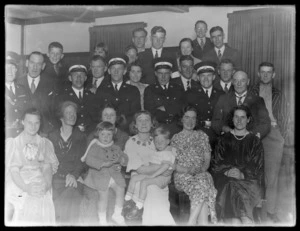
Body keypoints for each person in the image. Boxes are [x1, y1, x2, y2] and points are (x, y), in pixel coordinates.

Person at [249, 62, 292, 223]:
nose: (265, 75)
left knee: (271, 177)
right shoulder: (251, 91)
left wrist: (281, 135)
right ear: (258, 74)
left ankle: (270, 212)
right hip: (256, 134)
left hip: (274, 135)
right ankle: (254, 211)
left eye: (269, 72)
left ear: (273, 75)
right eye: (263, 72)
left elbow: (286, 118)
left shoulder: (279, 94)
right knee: (253, 174)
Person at [210, 105, 265, 225]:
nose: (239, 121)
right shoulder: (222, 140)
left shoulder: (255, 142)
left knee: (234, 185)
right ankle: (246, 220)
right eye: (236, 117)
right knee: (230, 184)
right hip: (225, 179)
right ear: (232, 119)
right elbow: (215, 164)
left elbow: (257, 167)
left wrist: (242, 174)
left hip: (249, 181)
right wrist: (227, 171)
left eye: (243, 117)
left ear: (248, 119)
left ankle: (238, 220)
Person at [5, 108, 59, 225]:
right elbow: (14, 172)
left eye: (36, 123)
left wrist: (46, 185)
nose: (33, 126)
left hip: (39, 180)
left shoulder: (44, 143)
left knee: (43, 197)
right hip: (18, 182)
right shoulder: (14, 143)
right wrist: (26, 187)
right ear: (23, 122)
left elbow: (47, 168)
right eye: (29, 122)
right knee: (28, 200)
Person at [124, 110, 175, 225]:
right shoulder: (130, 142)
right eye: (140, 120)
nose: (143, 123)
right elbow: (140, 169)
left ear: (152, 123)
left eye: (147, 119)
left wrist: (170, 168)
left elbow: (172, 156)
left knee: (159, 195)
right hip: (138, 179)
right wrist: (165, 167)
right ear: (135, 125)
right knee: (152, 191)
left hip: (160, 176)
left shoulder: (158, 139)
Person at [81, 103, 129, 225]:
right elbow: (89, 159)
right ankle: (102, 220)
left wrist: (123, 161)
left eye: (109, 134)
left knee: (120, 188)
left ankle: (117, 214)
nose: (106, 137)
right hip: (99, 175)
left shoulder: (116, 145)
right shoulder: (95, 144)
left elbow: (123, 156)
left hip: (113, 175)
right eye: (103, 134)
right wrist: (102, 163)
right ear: (98, 134)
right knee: (104, 196)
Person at [171, 106, 217, 225]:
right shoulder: (175, 138)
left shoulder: (202, 136)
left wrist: (201, 169)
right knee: (203, 184)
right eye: (187, 117)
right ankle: (195, 222)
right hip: (183, 175)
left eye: (193, 118)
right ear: (181, 119)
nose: (190, 121)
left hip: (200, 173)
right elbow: (173, 164)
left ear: (196, 120)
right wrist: (188, 170)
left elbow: (207, 159)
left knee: (203, 179)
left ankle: (194, 222)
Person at [48, 101, 87, 225]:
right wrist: (66, 175)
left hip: (75, 179)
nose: (72, 115)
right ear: (61, 117)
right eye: (68, 113)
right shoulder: (52, 136)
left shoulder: (81, 136)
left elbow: (81, 162)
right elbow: (50, 161)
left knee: (72, 193)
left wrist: (74, 176)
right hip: (56, 179)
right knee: (64, 196)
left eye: (74, 113)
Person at [212, 70, 271, 140]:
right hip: (228, 140)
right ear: (232, 82)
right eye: (236, 80)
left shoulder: (258, 100)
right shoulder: (223, 99)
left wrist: (251, 134)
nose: (239, 84)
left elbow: (265, 124)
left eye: (242, 80)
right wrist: (227, 130)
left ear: (248, 82)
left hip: (250, 141)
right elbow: (215, 121)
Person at [94, 56, 141, 132]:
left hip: (126, 131)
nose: (116, 72)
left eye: (119, 69)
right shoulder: (102, 89)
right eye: (113, 68)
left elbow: (135, 114)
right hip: (106, 131)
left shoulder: (133, 90)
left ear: (125, 71)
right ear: (109, 71)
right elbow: (98, 113)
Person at [186, 61, 224, 151]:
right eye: (203, 76)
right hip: (196, 134)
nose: (206, 79)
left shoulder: (221, 95)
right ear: (198, 78)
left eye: (209, 75)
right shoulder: (190, 94)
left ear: (214, 77)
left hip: (217, 136)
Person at [17, 51, 56, 136]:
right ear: (27, 63)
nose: (35, 67)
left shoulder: (51, 85)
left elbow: (54, 111)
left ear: (43, 66)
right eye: (32, 63)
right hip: (21, 132)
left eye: (38, 64)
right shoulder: (17, 83)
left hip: (44, 133)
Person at [144, 58, 185, 137]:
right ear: (155, 73)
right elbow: (150, 111)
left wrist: (165, 107)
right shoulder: (149, 89)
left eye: (166, 73)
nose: (163, 77)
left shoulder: (178, 88)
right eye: (160, 73)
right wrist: (172, 108)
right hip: (158, 127)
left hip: (177, 128)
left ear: (171, 73)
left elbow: (182, 108)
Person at [54, 64, 98, 134]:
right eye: (75, 75)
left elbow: (96, 117)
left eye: (81, 75)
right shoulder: (62, 97)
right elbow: (57, 117)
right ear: (70, 78)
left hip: (90, 133)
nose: (78, 78)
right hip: (71, 133)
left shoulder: (92, 96)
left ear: (85, 78)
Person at [5, 53, 30, 138]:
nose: (9, 71)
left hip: (22, 136)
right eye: (6, 67)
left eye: (12, 67)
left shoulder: (22, 89)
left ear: (16, 70)